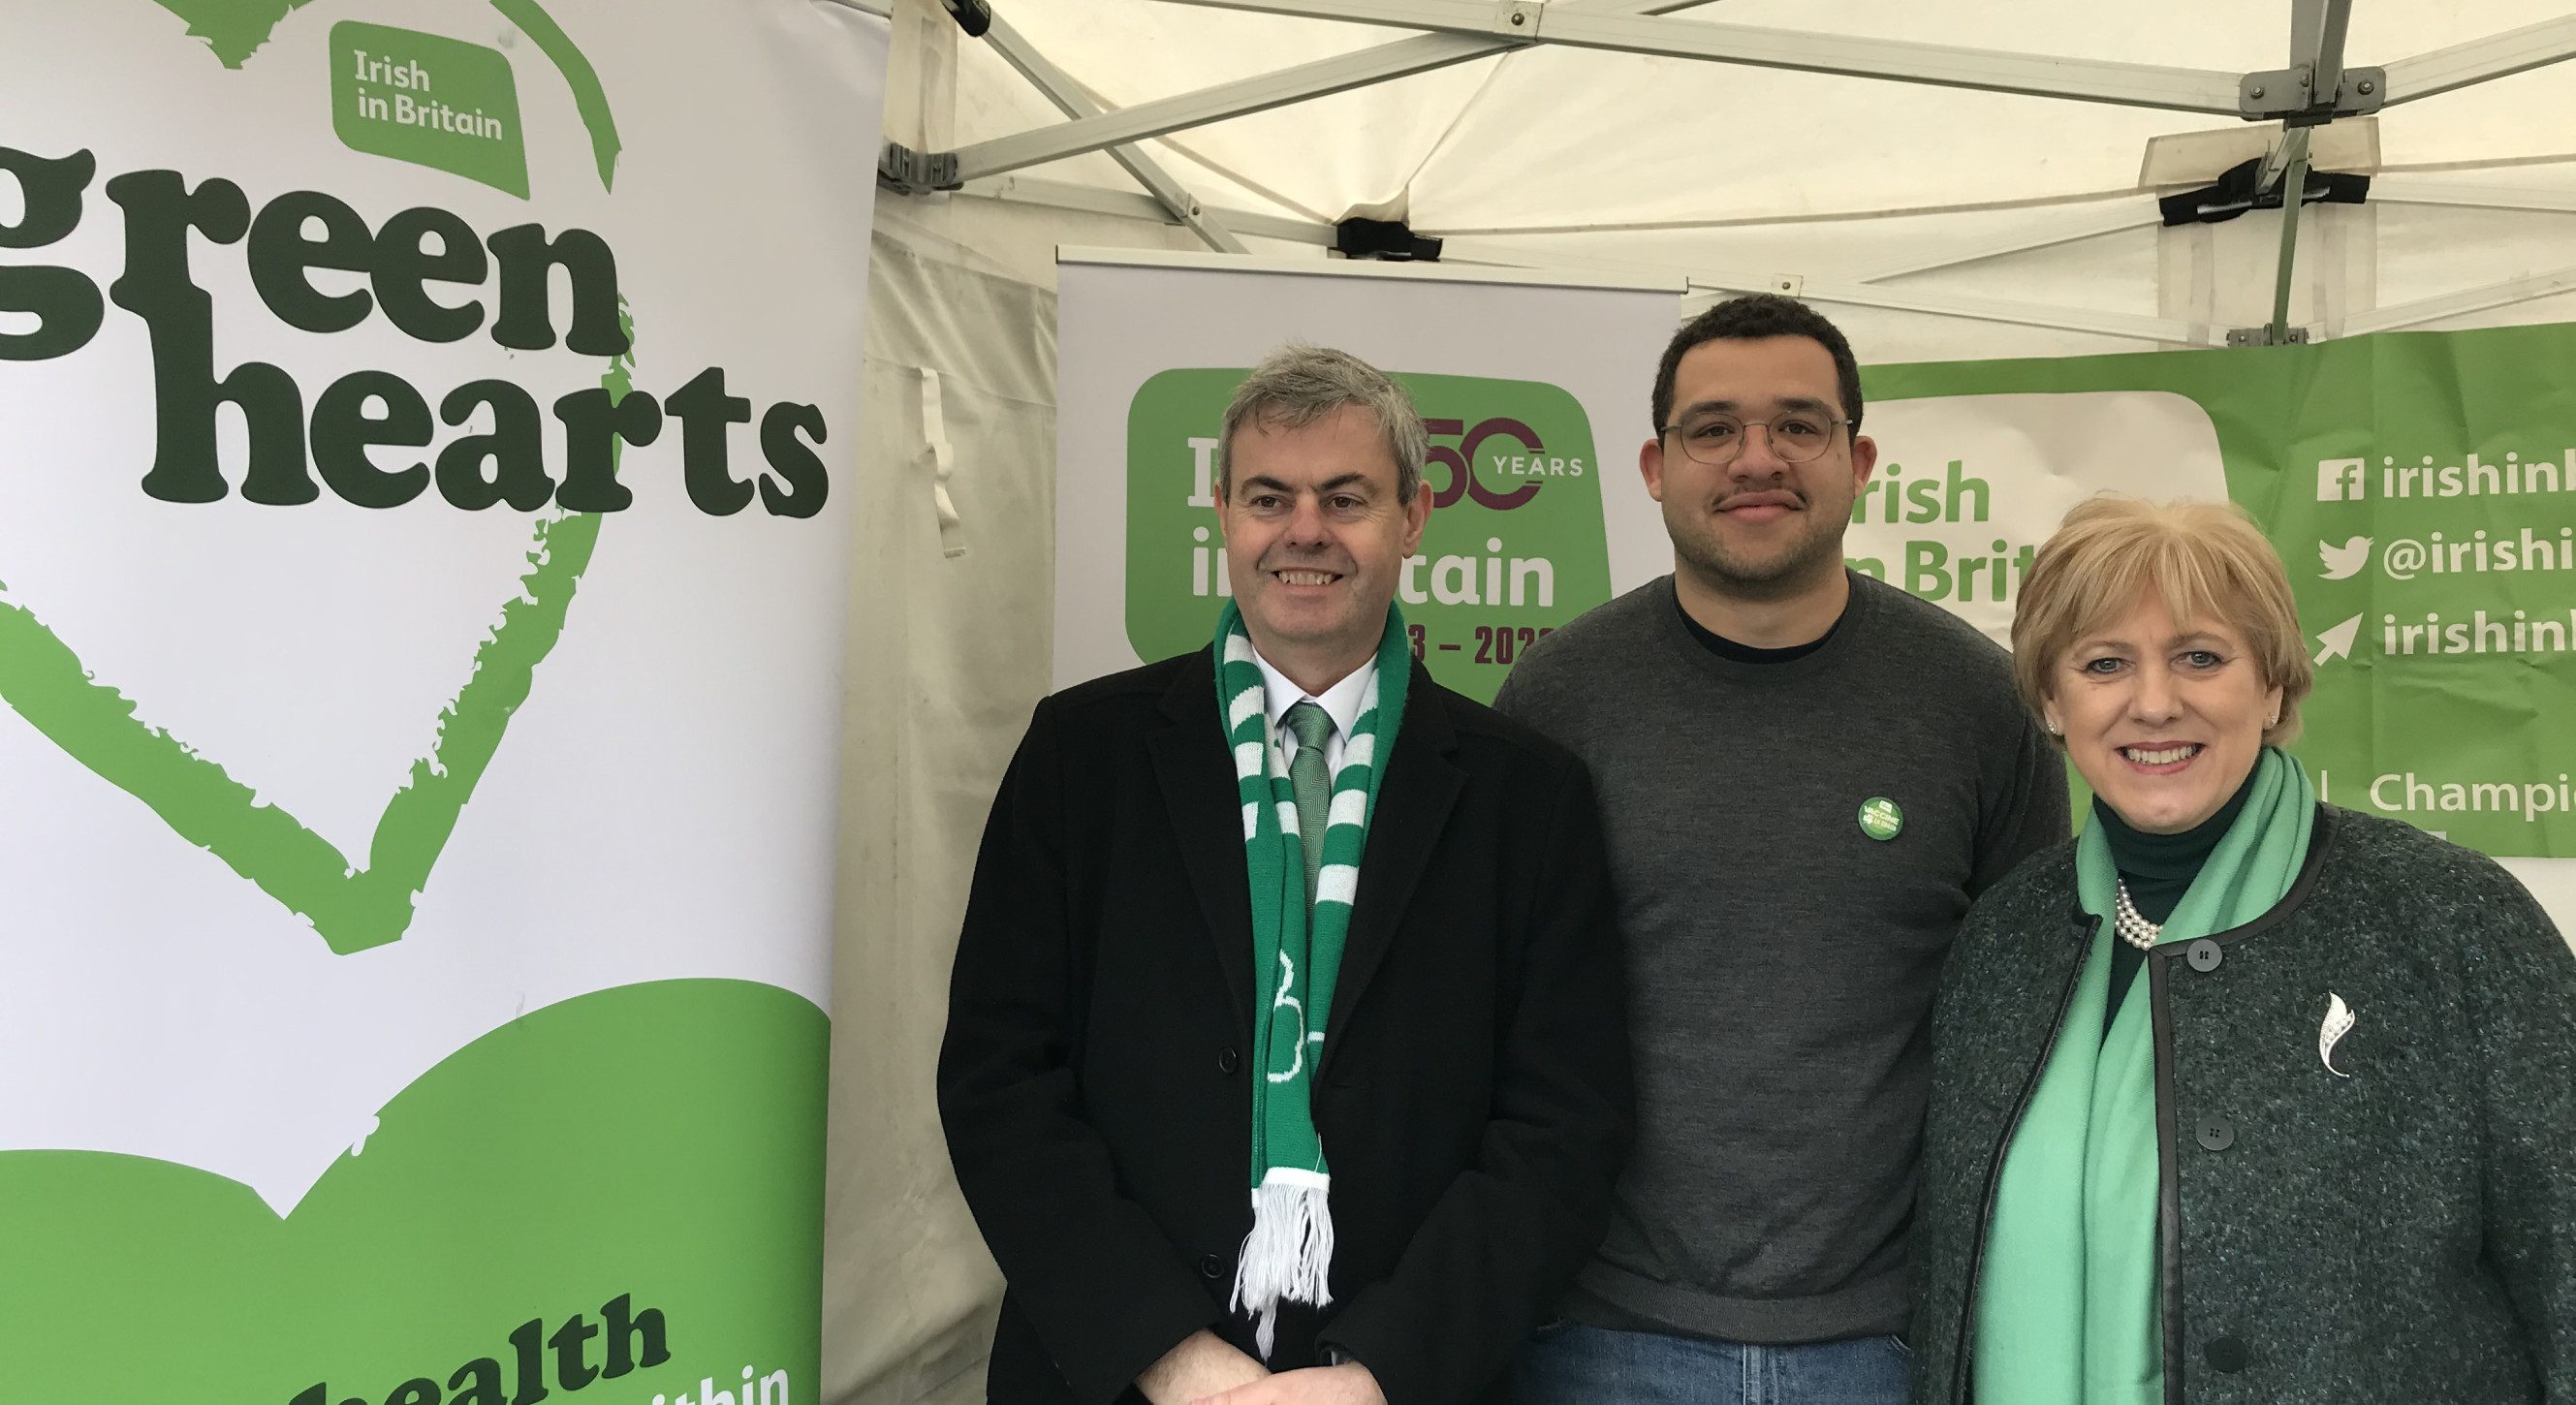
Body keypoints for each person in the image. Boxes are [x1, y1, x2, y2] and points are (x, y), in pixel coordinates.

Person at [939, 344, 1632, 1405]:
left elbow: (1563, 1129)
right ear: (1222, 510)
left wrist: (1374, 1373)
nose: (1304, 530)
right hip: (1121, 1380)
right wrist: (1173, 1358)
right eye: (1270, 496)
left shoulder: (1526, 797)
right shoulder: (1084, 756)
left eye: (1345, 497)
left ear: (1414, 517)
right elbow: (1001, 1082)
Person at [1495, 294, 2068, 1404]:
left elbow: (2031, 1023)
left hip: (1893, 1339)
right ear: (1657, 467)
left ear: (1858, 461)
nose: (1757, 458)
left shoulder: (1976, 702)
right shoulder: (1557, 699)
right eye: (1714, 428)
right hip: (1597, 1335)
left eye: (1798, 426)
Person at [1911, 495, 2576, 1404]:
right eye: (2105, 663)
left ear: (2272, 686)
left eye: (2200, 657)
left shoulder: (2449, 920)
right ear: (2052, 702)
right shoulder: (2002, 942)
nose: (2154, 702)